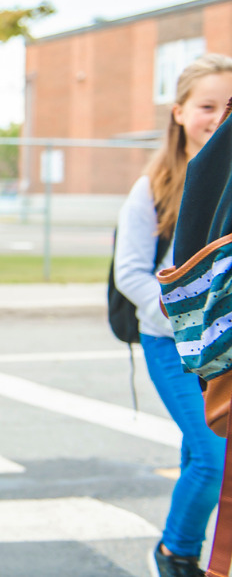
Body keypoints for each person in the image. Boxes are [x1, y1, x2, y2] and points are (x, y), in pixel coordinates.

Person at [114, 53, 232, 577]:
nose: (216, 116)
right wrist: (187, 315)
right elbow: (131, 274)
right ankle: (176, 552)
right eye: (206, 105)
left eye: (225, 106)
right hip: (172, 343)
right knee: (215, 457)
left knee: (200, 453)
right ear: (179, 112)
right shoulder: (153, 186)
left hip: (224, 347)